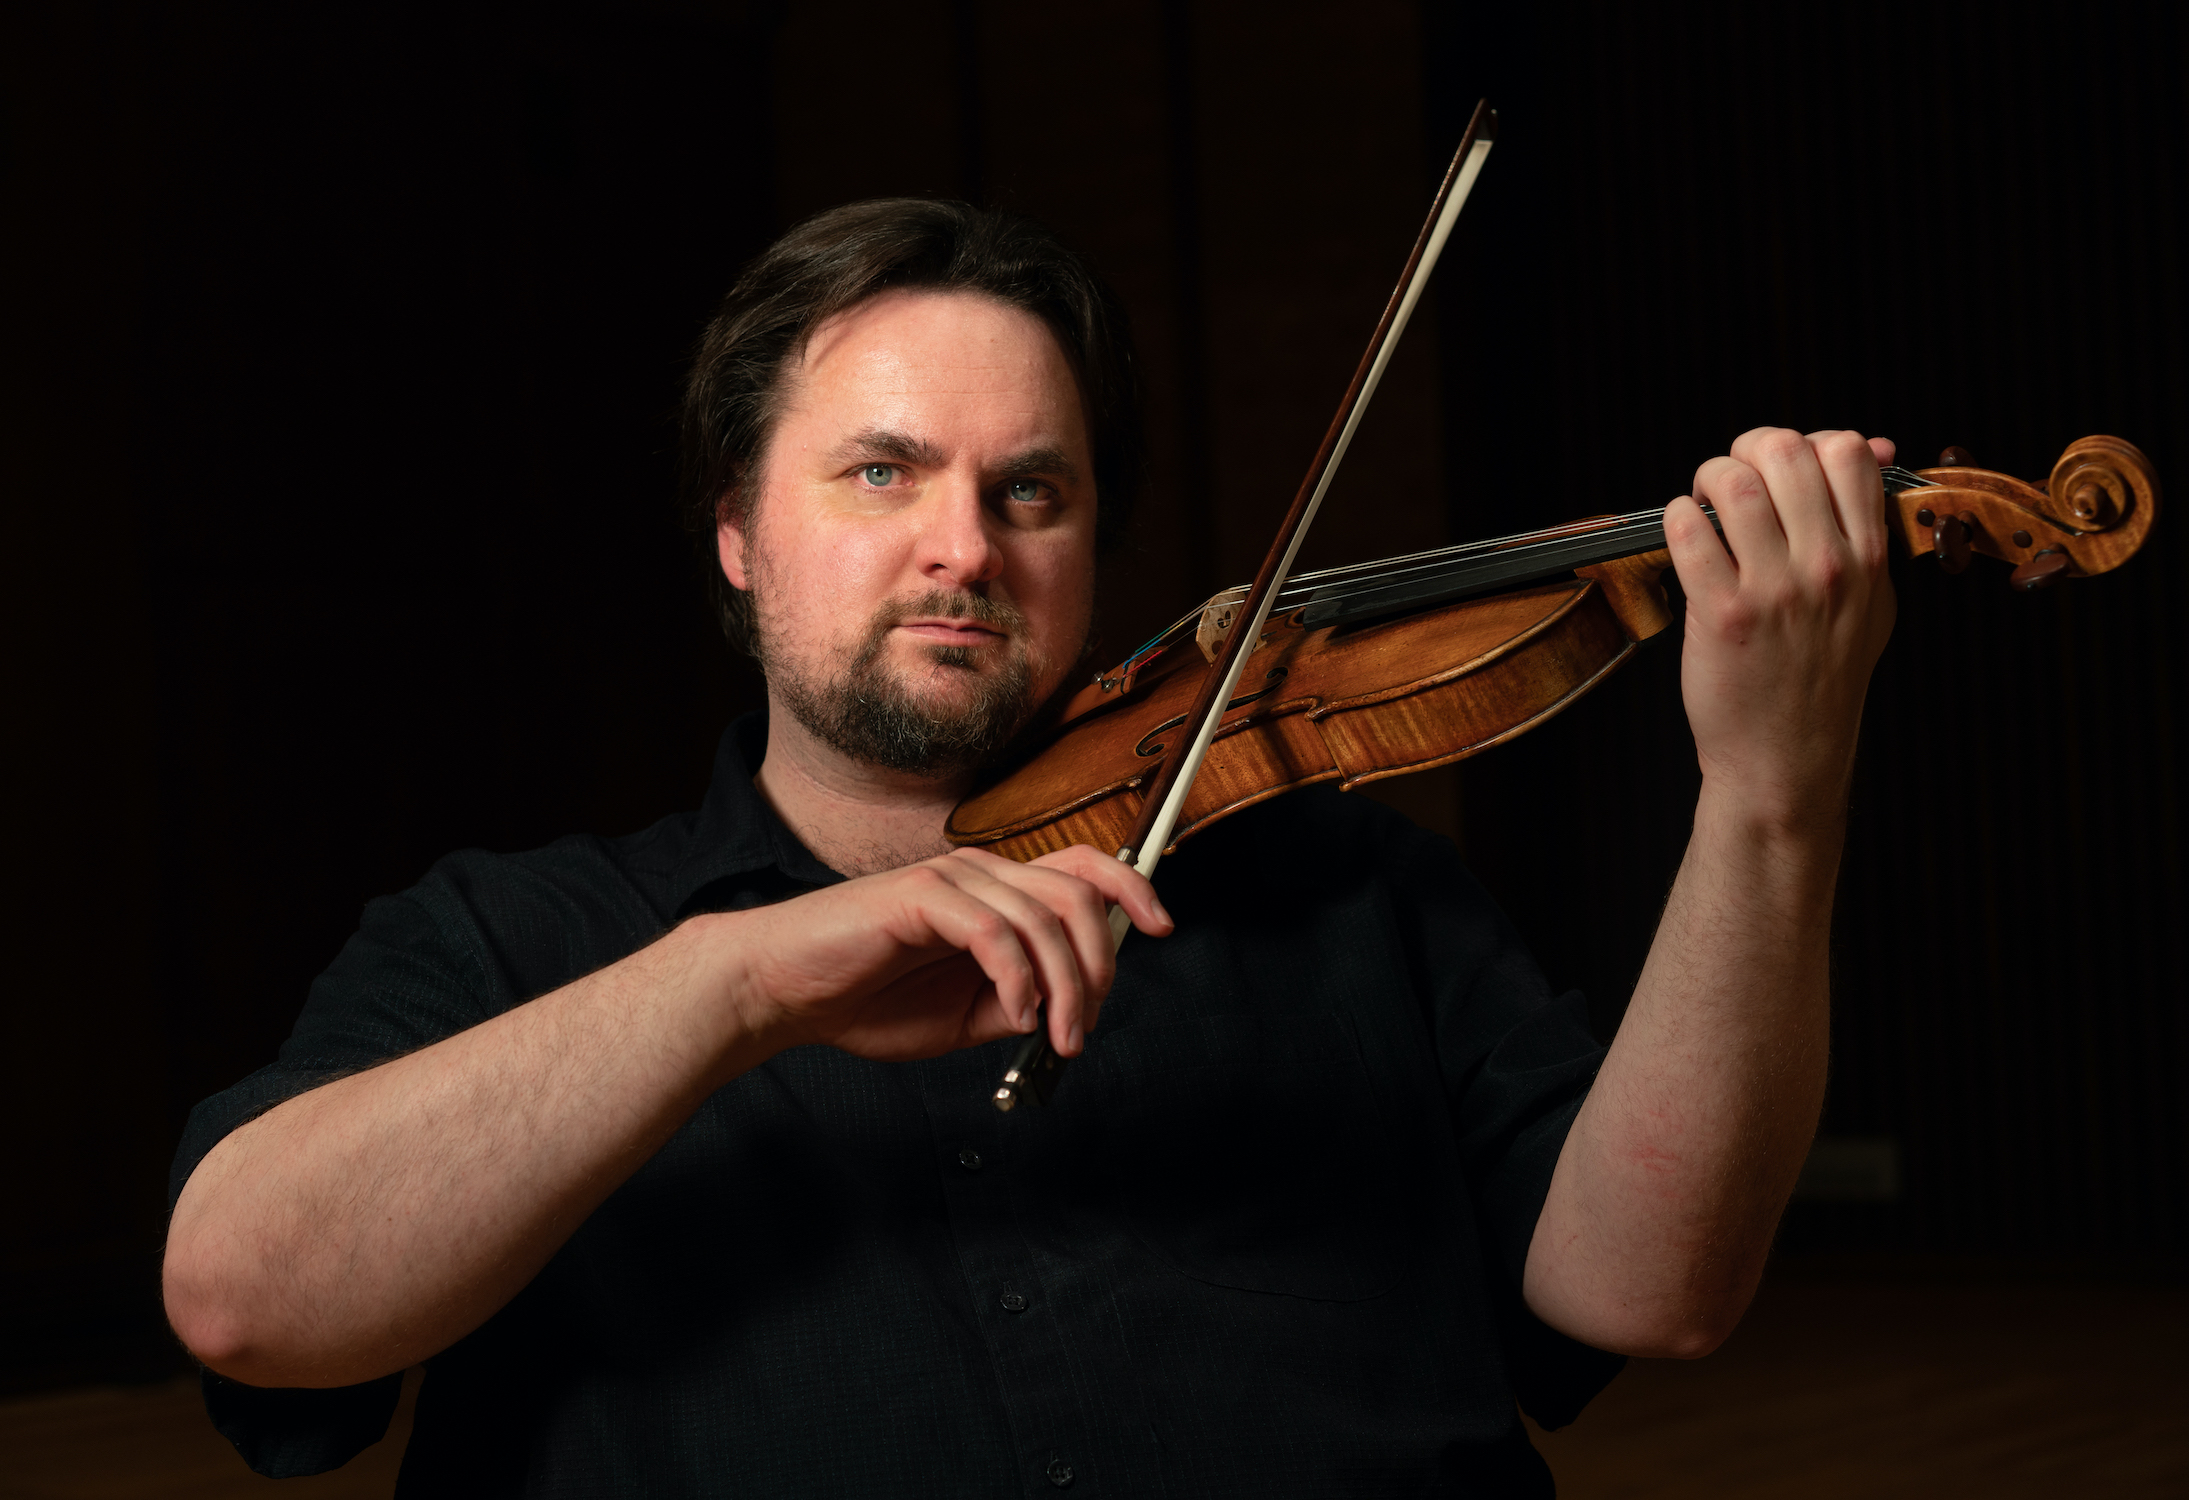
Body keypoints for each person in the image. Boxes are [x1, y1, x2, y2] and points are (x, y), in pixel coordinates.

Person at [161, 198, 1896, 1497]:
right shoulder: (514, 940)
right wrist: (732, 986)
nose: (962, 549)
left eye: (1029, 492)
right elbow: (246, 1301)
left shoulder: (1352, 901)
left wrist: (1768, 796)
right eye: (878, 476)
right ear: (737, 538)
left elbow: (1649, 1293)